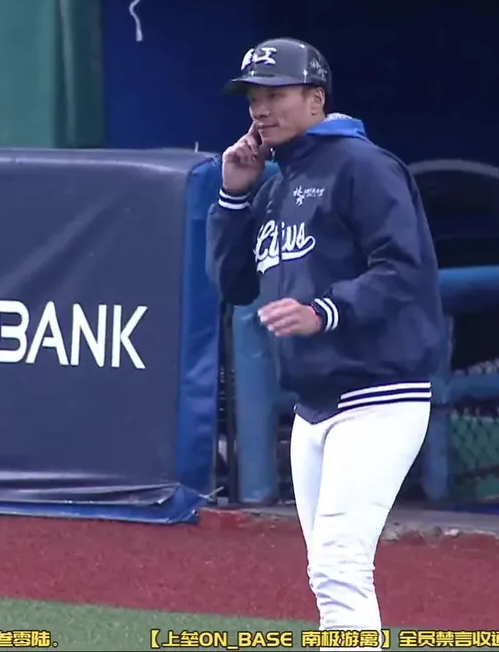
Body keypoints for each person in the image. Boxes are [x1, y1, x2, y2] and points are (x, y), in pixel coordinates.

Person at [207, 38, 445, 642]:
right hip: (313, 406)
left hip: (380, 395)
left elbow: (405, 270)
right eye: (254, 99)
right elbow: (233, 284)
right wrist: (233, 195)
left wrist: (326, 310)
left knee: (340, 567)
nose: (262, 110)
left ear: (316, 99)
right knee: (326, 572)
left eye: (276, 95)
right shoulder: (275, 185)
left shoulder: (364, 166)